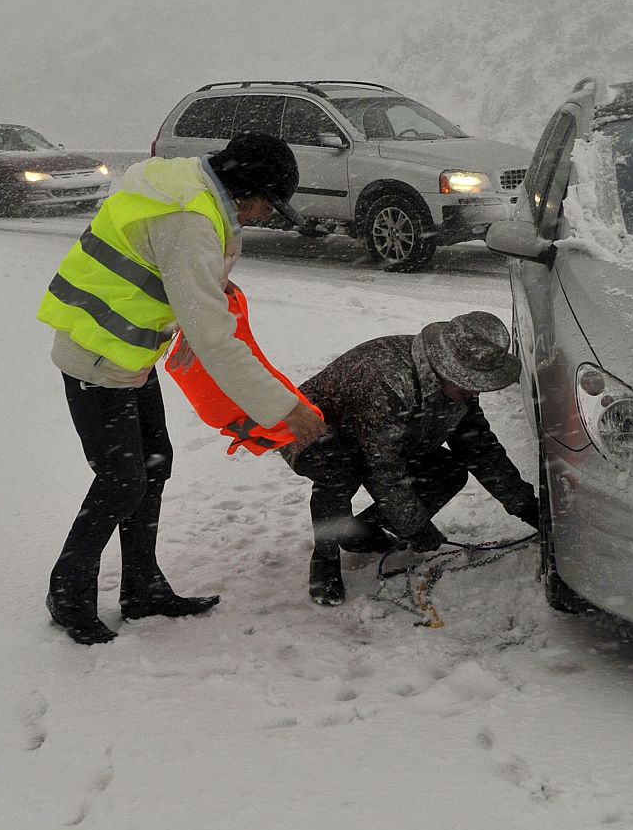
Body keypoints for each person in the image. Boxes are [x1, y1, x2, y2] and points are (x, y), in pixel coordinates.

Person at [36, 132, 328, 644]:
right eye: (267, 203)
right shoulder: (189, 220)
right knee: (122, 480)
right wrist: (286, 411)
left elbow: (178, 279)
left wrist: (193, 314)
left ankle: (142, 588)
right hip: (98, 354)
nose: (267, 216)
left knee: (153, 463)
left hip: (126, 353)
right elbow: (218, 342)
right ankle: (68, 593)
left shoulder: (189, 186)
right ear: (244, 190)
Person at [281, 312, 541, 605]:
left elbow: (480, 450)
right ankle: (325, 558)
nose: (475, 390)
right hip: (309, 428)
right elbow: (384, 471)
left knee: (449, 470)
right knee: (341, 471)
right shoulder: (389, 383)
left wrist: (528, 508)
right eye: (468, 383)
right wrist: (414, 525)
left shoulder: (458, 388)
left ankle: (361, 533)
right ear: (446, 368)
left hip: (384, 435)